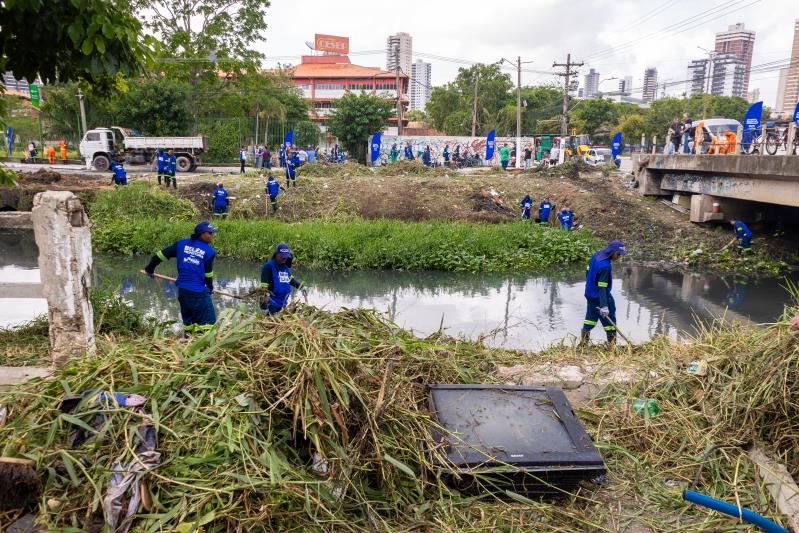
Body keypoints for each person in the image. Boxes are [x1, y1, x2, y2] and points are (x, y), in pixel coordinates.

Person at [144, 221, 219, 334]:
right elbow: (208, 274)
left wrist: (149, 269)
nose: (212, 236)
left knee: (189, 322)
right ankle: (204, 346)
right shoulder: (209, 252)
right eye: (210, 233)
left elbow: (159, 256)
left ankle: (188, 340)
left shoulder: (181, 244)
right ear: (201, 234)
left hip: (183, 291)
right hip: (198, 292)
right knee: (208, 322)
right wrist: (210, 288)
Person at [580, 240, 627, 347]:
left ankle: (583, 345)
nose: (619, 257)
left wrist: (590, 286)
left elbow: (588, 271)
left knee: (590, 318)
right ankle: (612, 347)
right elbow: (602, 287)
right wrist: (604, 305)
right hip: (599, 296)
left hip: (590, 294)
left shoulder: (596, 254)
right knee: (610, 322)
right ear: (613, 252)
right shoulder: (605, 266)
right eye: (619, 254)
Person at [259, 243, 306, 315]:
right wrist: (264, 308)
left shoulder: (284, 266)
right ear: (276, 254)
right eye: (282, 256)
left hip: (282, 304)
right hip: (271, 305)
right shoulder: (268, 267)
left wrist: (301, 287)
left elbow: (291, 280)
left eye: (286, 256)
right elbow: (263, 290)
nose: (284, 258)